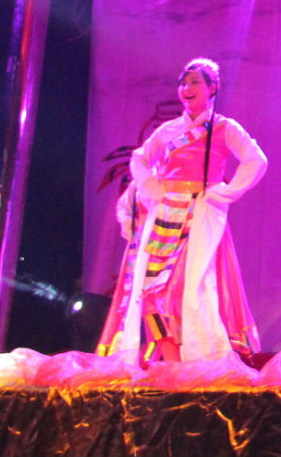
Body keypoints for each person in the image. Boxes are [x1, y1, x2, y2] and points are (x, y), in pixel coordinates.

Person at [98, 58, 266, 365]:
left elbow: (256, 160)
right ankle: (174, 362)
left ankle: (198, 360)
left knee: (187, 286)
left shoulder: (224, 128)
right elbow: (140, 159)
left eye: (194, 82)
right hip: (165, 215)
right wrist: (153, 187)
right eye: (183, 83)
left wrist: (225, 192)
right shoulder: (168, 130)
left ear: (213, 87)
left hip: (199, 215)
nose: (186, 88)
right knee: (150, 289)